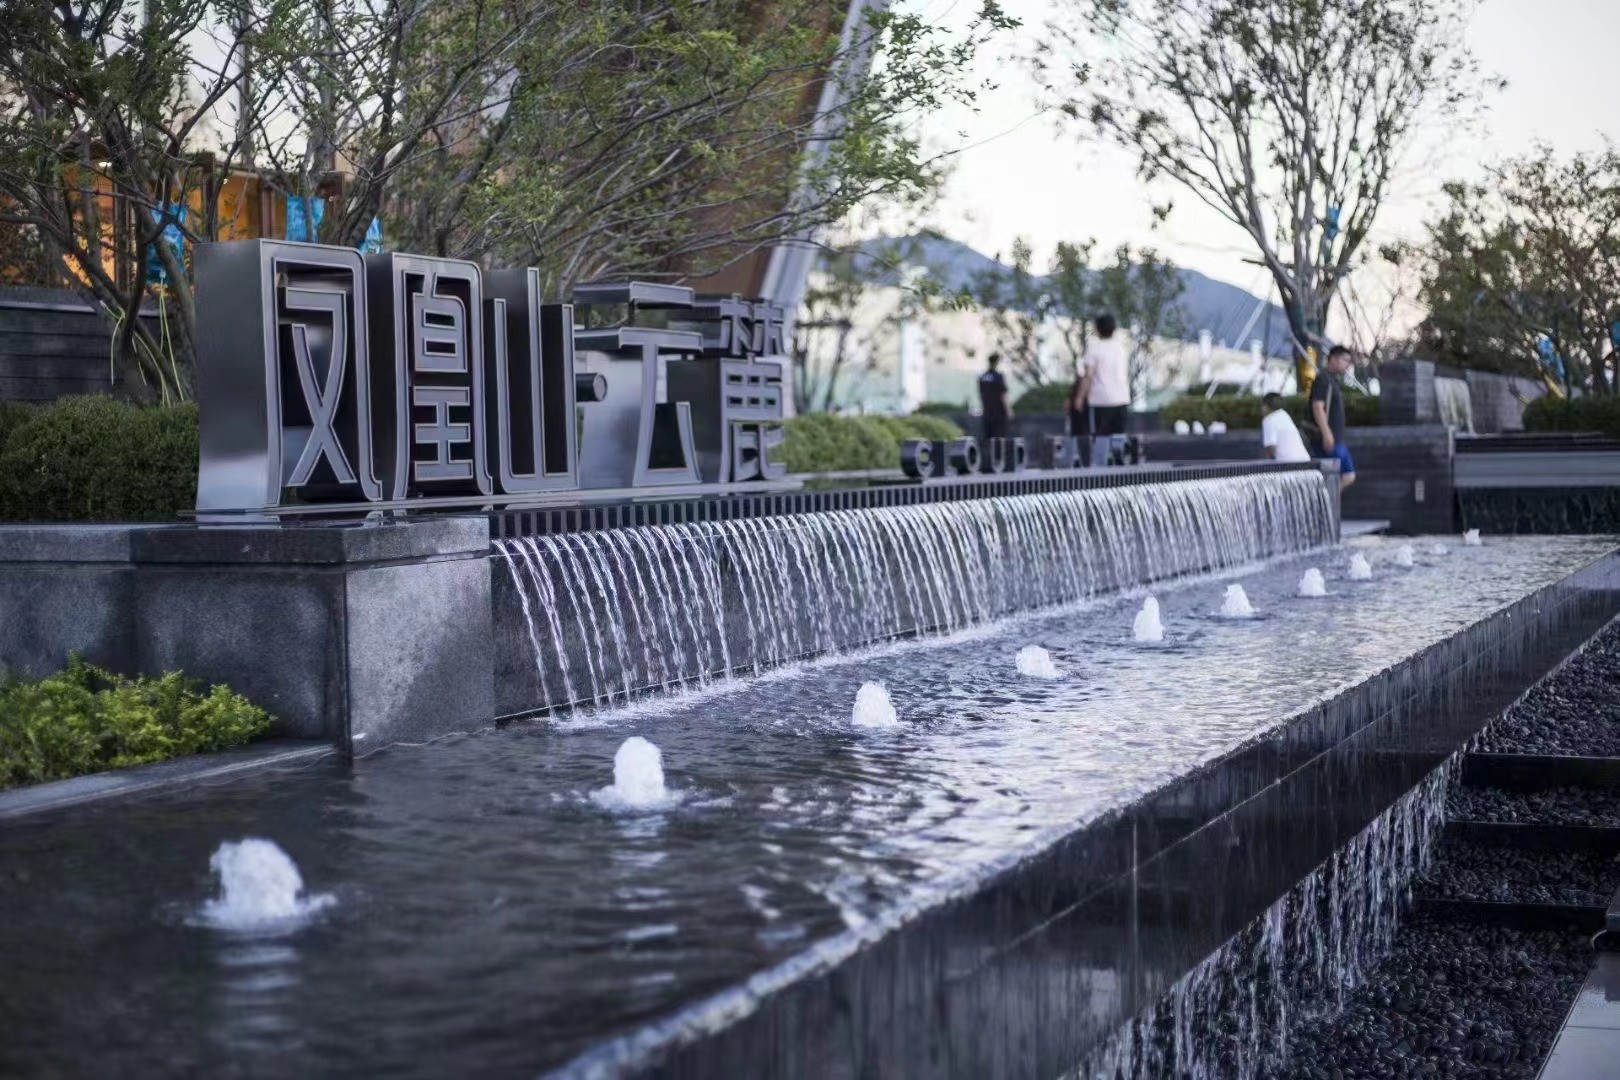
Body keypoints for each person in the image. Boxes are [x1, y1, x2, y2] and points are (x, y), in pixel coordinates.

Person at [1074, 313, 1130, 439]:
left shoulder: (1094, 349)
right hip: (1121, 398)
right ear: (1114, 329)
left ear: (1097, 329)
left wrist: (1079, 397)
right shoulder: (1121, 348)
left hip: (1100, 400)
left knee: (1099, 439)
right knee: (1118, 439)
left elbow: (1088, 376)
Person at [1309, 345, 1357, 491]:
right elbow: (1318, 406)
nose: (1347, 365)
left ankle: (1329, 500)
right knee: (1342, 476)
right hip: (1327, 441)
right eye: (1345, 360)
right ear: (1334, 359)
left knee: (1346, 476)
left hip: (1335, 439)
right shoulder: (1323, 379)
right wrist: (1327, 434)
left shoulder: (1332, 380)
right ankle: (1327, 500)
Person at [1260, 392, 1311, 463]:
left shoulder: (1268, 420)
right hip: (1305, 460)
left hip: (1287, 463)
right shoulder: (1284, 415)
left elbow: (1270, 447)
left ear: (1266, 406)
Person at [977, 352, 1011, 442]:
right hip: (999, 413)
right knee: (1000, 439)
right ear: (997, 362)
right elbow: (1003, 395)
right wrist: (1008, 410)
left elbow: (981, 394)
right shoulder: (998, 377)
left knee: (988, 439)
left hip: (987, 412)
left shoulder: (982, 377)